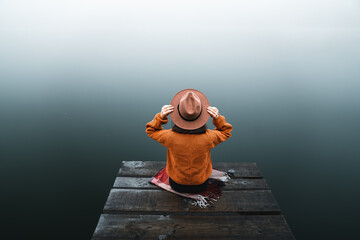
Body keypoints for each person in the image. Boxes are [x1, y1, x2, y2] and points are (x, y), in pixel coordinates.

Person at [146, 89, 233, 193]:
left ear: (178, 114)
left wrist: (161, 116)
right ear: (201, 116)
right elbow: (226, 131)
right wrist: (217, 118)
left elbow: (151, 130)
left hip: (176, 184)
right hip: (200, 185)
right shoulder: (209, 137)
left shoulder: (169, 137)